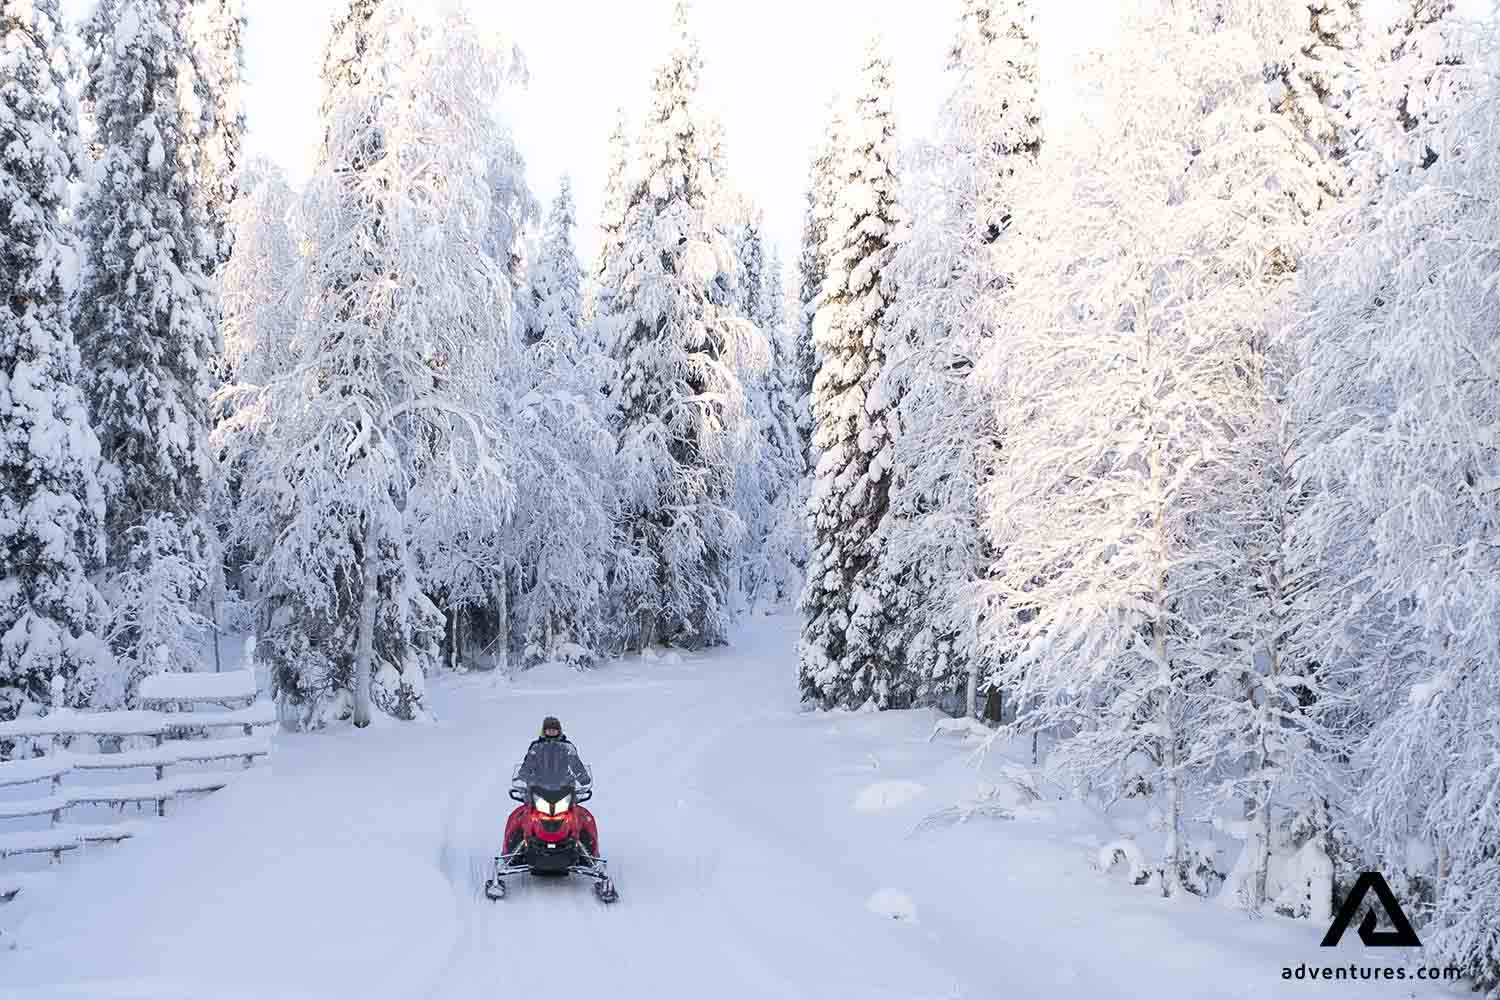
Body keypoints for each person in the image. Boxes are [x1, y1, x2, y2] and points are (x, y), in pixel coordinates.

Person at [516, 715, 592, 789]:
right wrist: (523, 774)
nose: (551, 732)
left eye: (554, 730)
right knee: (527, 801)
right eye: (549, 730)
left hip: (563, 785)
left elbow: (575, 763)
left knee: (575, 801)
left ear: (559, 731)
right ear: (544, 731)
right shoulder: (536, 746)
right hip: (539, 785)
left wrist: (583, 776)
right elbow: (529, 762)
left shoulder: (567, 746)